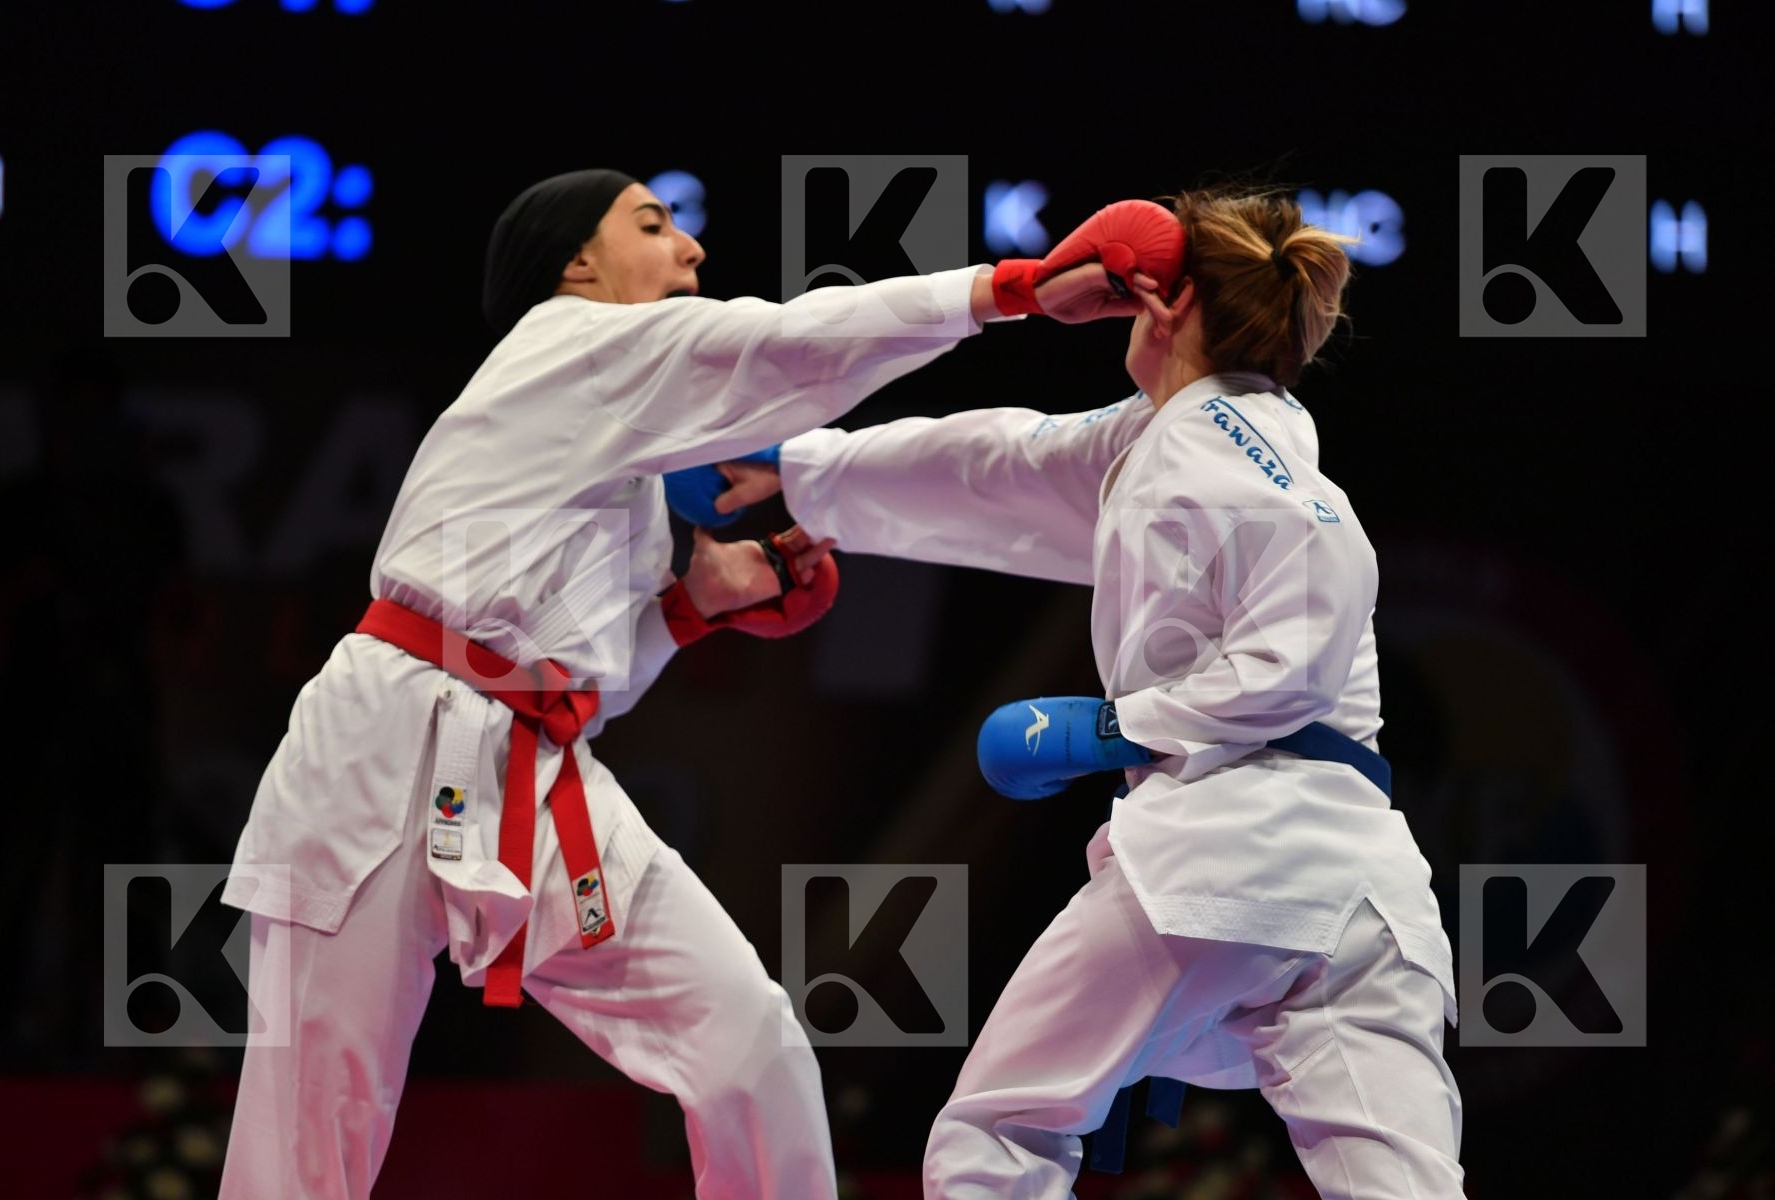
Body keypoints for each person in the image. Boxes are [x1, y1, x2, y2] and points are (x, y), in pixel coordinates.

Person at [217, 167, 1168, 1199]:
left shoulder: (620, 458)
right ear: (579, 264)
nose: (692, 249)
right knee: (313, 1125)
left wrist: (688, 609)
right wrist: (1013, 288)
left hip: (533, 770)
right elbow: (785, 344)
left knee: (747, 1037)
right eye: (655, 225)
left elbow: (577, 689)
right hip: (385, 745)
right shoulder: (570, 343)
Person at [681, 185, 1467, 1198]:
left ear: (1164, 306)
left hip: (1223, 857)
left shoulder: (1235, 465)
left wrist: (1112, 726)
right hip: (1369, 894)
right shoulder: (1165, 441)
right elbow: (996, 468)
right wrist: (799, 470)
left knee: (998, 1133)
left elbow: (1303, 628)